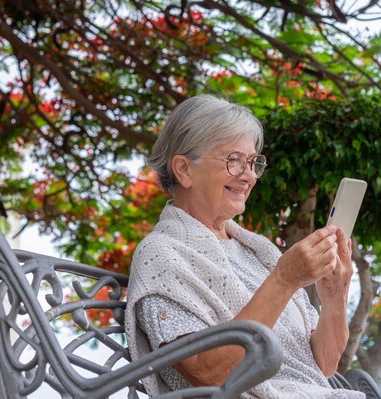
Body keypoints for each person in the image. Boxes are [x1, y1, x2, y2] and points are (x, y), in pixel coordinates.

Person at [124, 94, 365, 399]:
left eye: (253, 163)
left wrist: (335, 295)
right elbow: (208, 373)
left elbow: (324, 365)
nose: (249, 175)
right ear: (184, 170)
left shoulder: (255, 251)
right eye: (234, 160)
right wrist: (284, 280)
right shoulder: (161, 255)